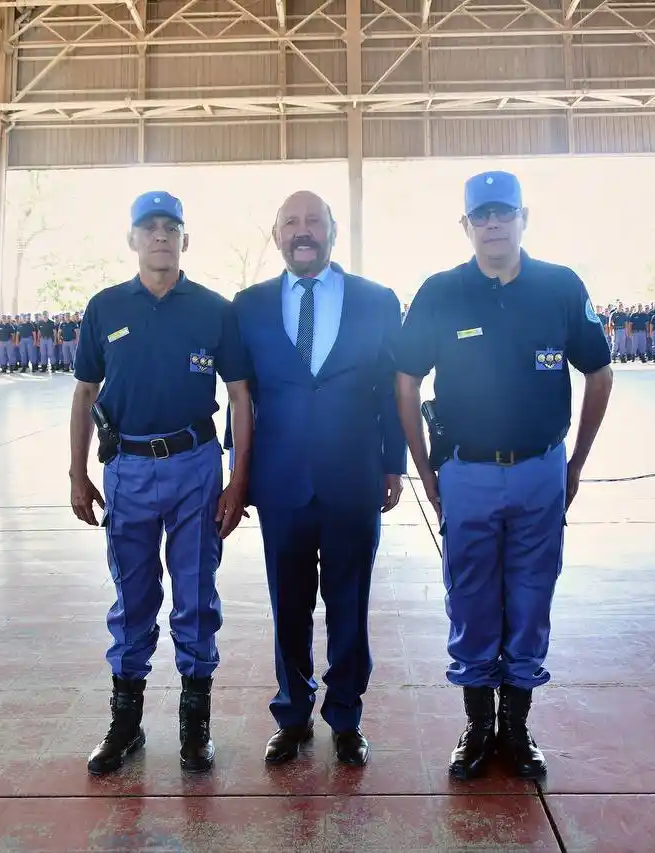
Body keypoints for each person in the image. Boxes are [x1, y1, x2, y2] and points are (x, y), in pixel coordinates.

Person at [392, 171, 614, 781]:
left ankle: (516, 724)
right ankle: (477, 724)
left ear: (524, 217)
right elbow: (405, 380)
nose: (493, 225)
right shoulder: (440, 292)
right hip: (466, 471)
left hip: (541, 468)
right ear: (465, 225)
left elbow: (599, 372)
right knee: (469, 595)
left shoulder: (560, 287)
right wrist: (423, 470)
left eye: (503, 213)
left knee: (532, 593)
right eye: (480, 216)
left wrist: (576, 464)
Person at [68, 191, 253, 776]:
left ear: (184, 240)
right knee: (134, 595)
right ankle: (126, 723)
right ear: (132, 240)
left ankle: (194, 725)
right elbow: (83, 393)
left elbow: (242, 397)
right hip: (125, 468)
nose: (160, 237)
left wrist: (238, 479)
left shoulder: (215, 309)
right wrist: (78, 472)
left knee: (197, 594)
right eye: (148, 228)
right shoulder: (104, 308)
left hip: (196, 464)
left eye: (171, 228)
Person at [227, 190, 406, 768]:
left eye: (313, 222)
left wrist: (393, 463)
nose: (302, 232)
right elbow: (240, 398)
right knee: (289, 603)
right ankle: (293, 714)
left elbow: (392, 389)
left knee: (350, 601)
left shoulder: (377, 300)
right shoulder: (248, 305)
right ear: (275, 235)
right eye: (291, 223)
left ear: (332, 231)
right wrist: (241, 476)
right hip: (280, 485)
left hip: (353, 478)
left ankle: (347, 716)